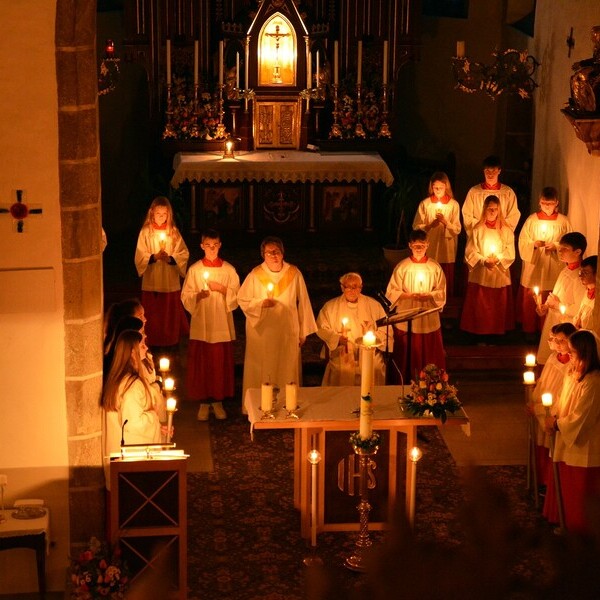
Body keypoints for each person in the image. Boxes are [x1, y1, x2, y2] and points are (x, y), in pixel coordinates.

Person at [238, 237, 317, 402]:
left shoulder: (293, 273)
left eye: (277, 252)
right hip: (263, 332)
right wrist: (261, 304)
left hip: (287, 329)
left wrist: (303, 331)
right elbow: (242, 300)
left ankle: (288, 403)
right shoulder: (255, 274)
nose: (273, 256)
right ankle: (260, 403)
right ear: (263, 255)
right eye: (269, 253)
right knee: (263, 366)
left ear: (282, 253)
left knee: (287, 367)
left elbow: (304, 301)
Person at [543, 329, 600, 534]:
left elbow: (583, 415)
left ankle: (580, 530)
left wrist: (559, 424)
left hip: (585, 443)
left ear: (585, 352)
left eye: (573, 352)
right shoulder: (571, 373)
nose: (570, 356)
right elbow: (562, 399)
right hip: (565, 435)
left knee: (581, 489)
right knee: (567, 485)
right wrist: (553, 416)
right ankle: (565, 521)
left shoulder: (593, 381)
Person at [181, 229, 240, 421]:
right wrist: (198, 296)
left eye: (215, 245)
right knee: (203, 362)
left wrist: (222, 289)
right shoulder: (195, 270)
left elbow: (237, 296)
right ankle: (204, 402)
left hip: (221, 322)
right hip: (203, 322)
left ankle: (218, 401)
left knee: (218, 363)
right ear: (202, 246)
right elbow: (186, 296)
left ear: (220, 245)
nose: (212, 249)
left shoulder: (228, 270)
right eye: (208, 245)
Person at [101, 330, 167, 486]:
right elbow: (133, 424)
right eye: (142, 346)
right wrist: (153, 417)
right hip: (132, 460)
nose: (146, 348)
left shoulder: (119, 379)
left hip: (121, 457)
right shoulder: (132, 385)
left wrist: (158, 428)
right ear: (132, 352)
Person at [385, 229, 446, 382]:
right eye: (416, 246)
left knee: (428, 349)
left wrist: (429, 295)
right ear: (410, 245)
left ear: (427, 245)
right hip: (408, 311)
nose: (419, 249)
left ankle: (432, 381)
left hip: (427, 312)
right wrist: (409, 295)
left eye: (422, 245)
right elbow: (391, 292)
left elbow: (441, 292)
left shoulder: (435, 267)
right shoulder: (402, 267)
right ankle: (405, 379)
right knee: (407, 349)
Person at [316, 272, 391, 386]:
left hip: (368, 350)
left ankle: (371, 396)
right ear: (342, 288)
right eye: (348, 287)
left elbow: (386, 329)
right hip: (342, 351)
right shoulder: (330, 307)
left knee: (375, 367)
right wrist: (337, 339)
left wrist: (372, 338)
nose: (352, 291)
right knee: (341, 370)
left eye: (355, 287)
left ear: (361, 288)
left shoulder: (374, 305)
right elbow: (321, 328)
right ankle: (343, 397)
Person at [134, 196, 189, 349]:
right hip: (152, 280)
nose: (161, 217)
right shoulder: (146, 232)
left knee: (168, 314)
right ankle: (152, 342)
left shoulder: (173, 232)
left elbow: (183, 253)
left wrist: (171, 259)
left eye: (164, 214)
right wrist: (154, 257)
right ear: (152, 213)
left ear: (169, 214)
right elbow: (139, 255)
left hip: (169, 280)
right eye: (158, 213)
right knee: (153, 314)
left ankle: (170, 342)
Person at [517, 187, 572, 335]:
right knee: (533, 295)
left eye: (550, 203)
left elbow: (570, 243)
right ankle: (529, 330)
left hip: (553, 265)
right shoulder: (532, 220)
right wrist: (533, 245)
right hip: (536, 265)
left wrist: (556, 246)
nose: (547, 207)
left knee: (551, 293)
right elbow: (523, 241)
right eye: (544, 203)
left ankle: (547, 331)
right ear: (539, 202)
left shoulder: (563, 221)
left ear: (556, 203)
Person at [528, 322, 577, 487]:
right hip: (542, 406)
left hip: (555, 410)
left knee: (552, 446)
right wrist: (535, 401)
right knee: (541, 443)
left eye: (562, 340)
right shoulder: (552, 358)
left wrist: (543, 409)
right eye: (555, 340)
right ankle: (540, 479)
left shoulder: (572, 365)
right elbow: (543, 382)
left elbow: (563, 394)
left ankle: (551, 482)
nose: (558, 344)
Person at [460, 195, 515, 337]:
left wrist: (497, 259)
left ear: (499, 210)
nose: (492, 212)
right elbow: (470, 251)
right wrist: (484, 261)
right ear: (484, 209)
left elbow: (510, 251)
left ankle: (496, 334)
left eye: (495, 209)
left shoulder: (506, 230)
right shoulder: (477, 229)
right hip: (481, 273)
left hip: (499, 273)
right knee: (481, 305)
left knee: (497, 305)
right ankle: (480, 333)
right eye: (489, 208)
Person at [536, 232, 587, 364]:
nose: (560, 251)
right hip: (554, 321)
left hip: (566, 327)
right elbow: (556, 295)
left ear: (578, 252)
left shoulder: (580, 277)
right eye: (560, 248)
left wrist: (558, 305)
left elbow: (579, 308)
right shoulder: (565, 270)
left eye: (565, 249)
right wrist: (545, 306)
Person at [412, 172, 461, 296]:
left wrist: (445, 222)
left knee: (445, 272)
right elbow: (416, 226)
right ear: (431, 187)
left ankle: (445, 298)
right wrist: (429, 226)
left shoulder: (453, 204)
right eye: (435, 188)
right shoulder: (425, 204)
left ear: (446, 187)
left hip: (446, 246)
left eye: (441, 188)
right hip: (431, 244)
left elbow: (457, 229)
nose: (438, 191)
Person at [461, 155, 521, 238]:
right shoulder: (474, 192)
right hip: (480, 235)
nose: (490, 174)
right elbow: (467, 215)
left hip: (499, 235)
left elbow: (513, 215)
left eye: (493, 171)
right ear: (483, 171)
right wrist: (482, 225)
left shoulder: (508, 192)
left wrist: (500, 226)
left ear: (499, 171)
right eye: (487, 171)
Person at [573, 255, 597, 330]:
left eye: (585, 272)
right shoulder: (587, 291)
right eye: (580, 272)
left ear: (597, 274)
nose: (580, 276)